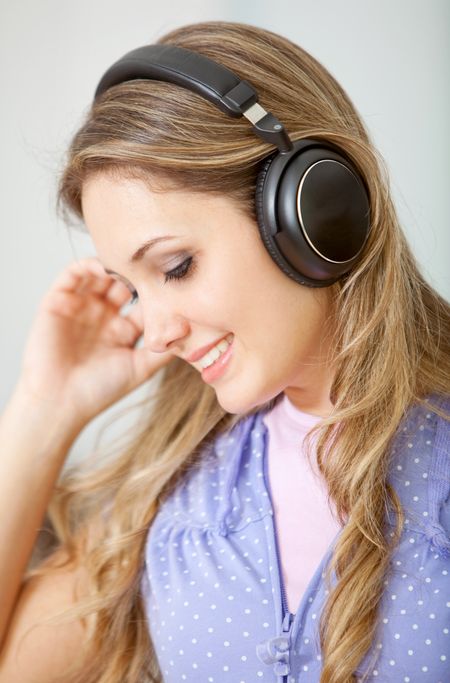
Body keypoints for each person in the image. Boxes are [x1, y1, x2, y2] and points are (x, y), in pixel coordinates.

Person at [0, 19, 449, 683]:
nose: (156, 332)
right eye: (131, 290)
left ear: (312, 206)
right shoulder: (171, 492)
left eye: (175, 266)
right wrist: (44, 408)